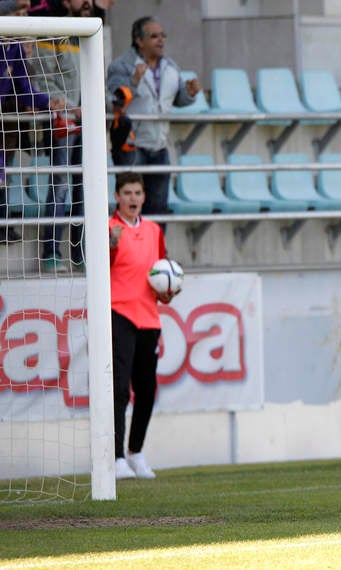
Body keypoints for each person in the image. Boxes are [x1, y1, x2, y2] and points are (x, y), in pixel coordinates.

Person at [109, 171, 177, 479]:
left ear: (144, 197)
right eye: (127, 192)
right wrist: (110, 246)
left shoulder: (153, 231)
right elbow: (98, 268)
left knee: (147, 389)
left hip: (149, 316)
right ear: (117, 197)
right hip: (118, 313)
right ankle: (115, 457)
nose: (133, 198)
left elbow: (160, 274)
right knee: (119, 388)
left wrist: (167, 292)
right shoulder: (109, 229)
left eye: (138, 192)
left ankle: (136, 452)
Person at [106, 16, 201, 219]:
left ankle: (156, 251)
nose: (161, 40)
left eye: (163, 36)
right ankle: (129, 250)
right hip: (132, 147)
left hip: (159, 146)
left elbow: (175, 100)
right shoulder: (122, 66)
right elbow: (114, 102)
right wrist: (133, 81)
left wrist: (189, 94)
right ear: (139, 41)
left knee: (158, 209)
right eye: (154, 36)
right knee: (130, 209)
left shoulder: (171, 66)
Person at [25, 0, 95, 272]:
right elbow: (45, 80)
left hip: (87, 119)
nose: (87, 3)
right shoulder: (53, 32)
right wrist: (70, 106)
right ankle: (51, 253)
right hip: (65, 120)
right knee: (61, 185)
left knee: (86, 188)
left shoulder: (93, 31)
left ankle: (80, 254)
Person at [1, 33, 64, 244]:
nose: (23, 16)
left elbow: (26, 91)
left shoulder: (15, 49)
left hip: (5, 138)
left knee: (4, 182)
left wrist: (46, 102)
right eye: (18, 12)